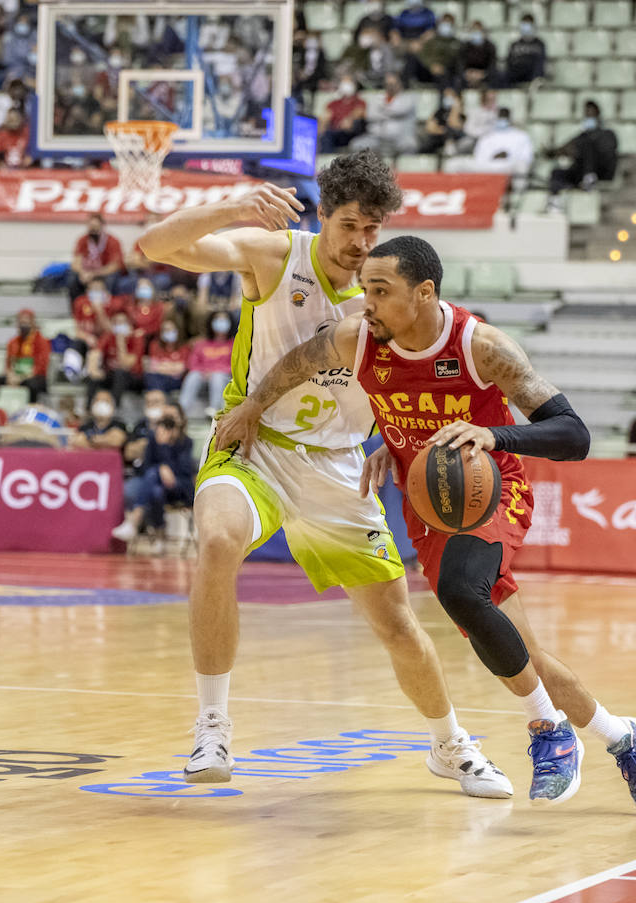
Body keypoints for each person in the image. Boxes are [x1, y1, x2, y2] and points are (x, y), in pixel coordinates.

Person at [216, 232, 636, 815]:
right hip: (429, 505)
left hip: (492, 492)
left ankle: (548, 730)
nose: (366, 303)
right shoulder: (358, 339)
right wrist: (254, 407)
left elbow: (574, 435)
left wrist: (493, 435)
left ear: (424, 292)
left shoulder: (481, 347)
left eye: (380, 291)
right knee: (522, 654)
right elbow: (295, 364)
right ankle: (625, 738)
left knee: (461, 591)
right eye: (364, 290)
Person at [136, 152, 514, 798]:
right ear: (323, 215)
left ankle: (450, 744)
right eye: (349, 226)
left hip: (339, 466)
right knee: (219, 541)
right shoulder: (276, 255)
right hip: (255, 442)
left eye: (372, 229)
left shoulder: (392, 296)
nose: (361, 242)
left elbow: (429, 381)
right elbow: (154, 245)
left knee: (397, 625)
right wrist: (232, 207)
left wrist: (395, 441)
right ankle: (213, 727)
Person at [112, 403, 196, 542]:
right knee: (156, 491)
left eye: (173, 417)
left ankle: (135, 520)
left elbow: (184, 470)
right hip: (156, 485)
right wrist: (161, 465)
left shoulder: (186, 442)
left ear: (181, 419)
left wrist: (164, 451)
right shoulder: (154, 438)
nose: (169, 421)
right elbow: (146, 466)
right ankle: (159, 530)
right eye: (166, 417)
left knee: (153, 475)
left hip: (179, 486)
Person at [546, 101, 618, 208]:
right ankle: (554, 202)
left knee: (588, 144)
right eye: (586, 114)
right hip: (581, 173)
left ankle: (589, 177)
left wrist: (578, 151)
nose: (588, 117)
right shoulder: (584, 135)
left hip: (601, 172)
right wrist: (553, 152)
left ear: (597, 115)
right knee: (557, 173)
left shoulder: (608, 134)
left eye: (590, 114)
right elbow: (567, 146)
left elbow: (607, 155)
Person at [180, 310, 235, 418]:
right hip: (203, 375)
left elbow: (235, 365)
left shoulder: (235, 343)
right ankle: (182, 409)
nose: (221, 323)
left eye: (224, 320)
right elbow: (193, 363)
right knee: (193, 376)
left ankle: (215, 409)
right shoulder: (201, 343)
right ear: (211, 322)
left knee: (217, 377)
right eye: (217, 320)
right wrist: (204, 371)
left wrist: (214, 371)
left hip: (224, 377)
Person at [0, 309, 50, 402]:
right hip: (15, 376)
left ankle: (32, 407)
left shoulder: (42, 342)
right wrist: (11, 376)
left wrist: (21, 378)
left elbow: (40, 367)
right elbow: (8, 364)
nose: (23, 326)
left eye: (26, 323)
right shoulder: (13, 342)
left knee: (33, 384)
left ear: (33, 323)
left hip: (32, 377)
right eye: (21, 323)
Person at [69, 214, 126, 299]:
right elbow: (76, 262)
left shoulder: (112, 241)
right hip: (86, 272)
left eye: (96, 227)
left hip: (103, 273)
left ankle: (108, 305)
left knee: (111, 278)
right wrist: (82, 273)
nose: (93, 230)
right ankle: (78, 305)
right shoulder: (83, 240)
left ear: (102, 226)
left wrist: (93, 274)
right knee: (72, 278)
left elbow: (114, 266)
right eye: (91, 227)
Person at [470, 108, 533, 178]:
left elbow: (526, 159)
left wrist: (507, 159)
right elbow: (479, 159)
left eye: (504, 117)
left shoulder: (522, 136)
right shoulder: (486, 137)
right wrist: (495, 158)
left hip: (512, 173)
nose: (502, 120)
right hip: (488, 173)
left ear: (510, 119)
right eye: (500, 117)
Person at [321, 79, 367, 152]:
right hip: (335, 132)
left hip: (351, 132)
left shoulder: (359, 102)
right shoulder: (333, 103)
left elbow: (359, 112)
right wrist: (322, 127)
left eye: (348, 83)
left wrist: (349, 119)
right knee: (326, 135)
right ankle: (326, 156)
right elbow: (326, 117)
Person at [503, 14, 546, 86]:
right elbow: (509, 64)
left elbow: (541, 64)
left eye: (528, 25)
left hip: (533, 79)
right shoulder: (514, 45)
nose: (526, 27)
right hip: (516, 78)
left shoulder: (540, 44)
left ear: (533, 26)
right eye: (524, 25)